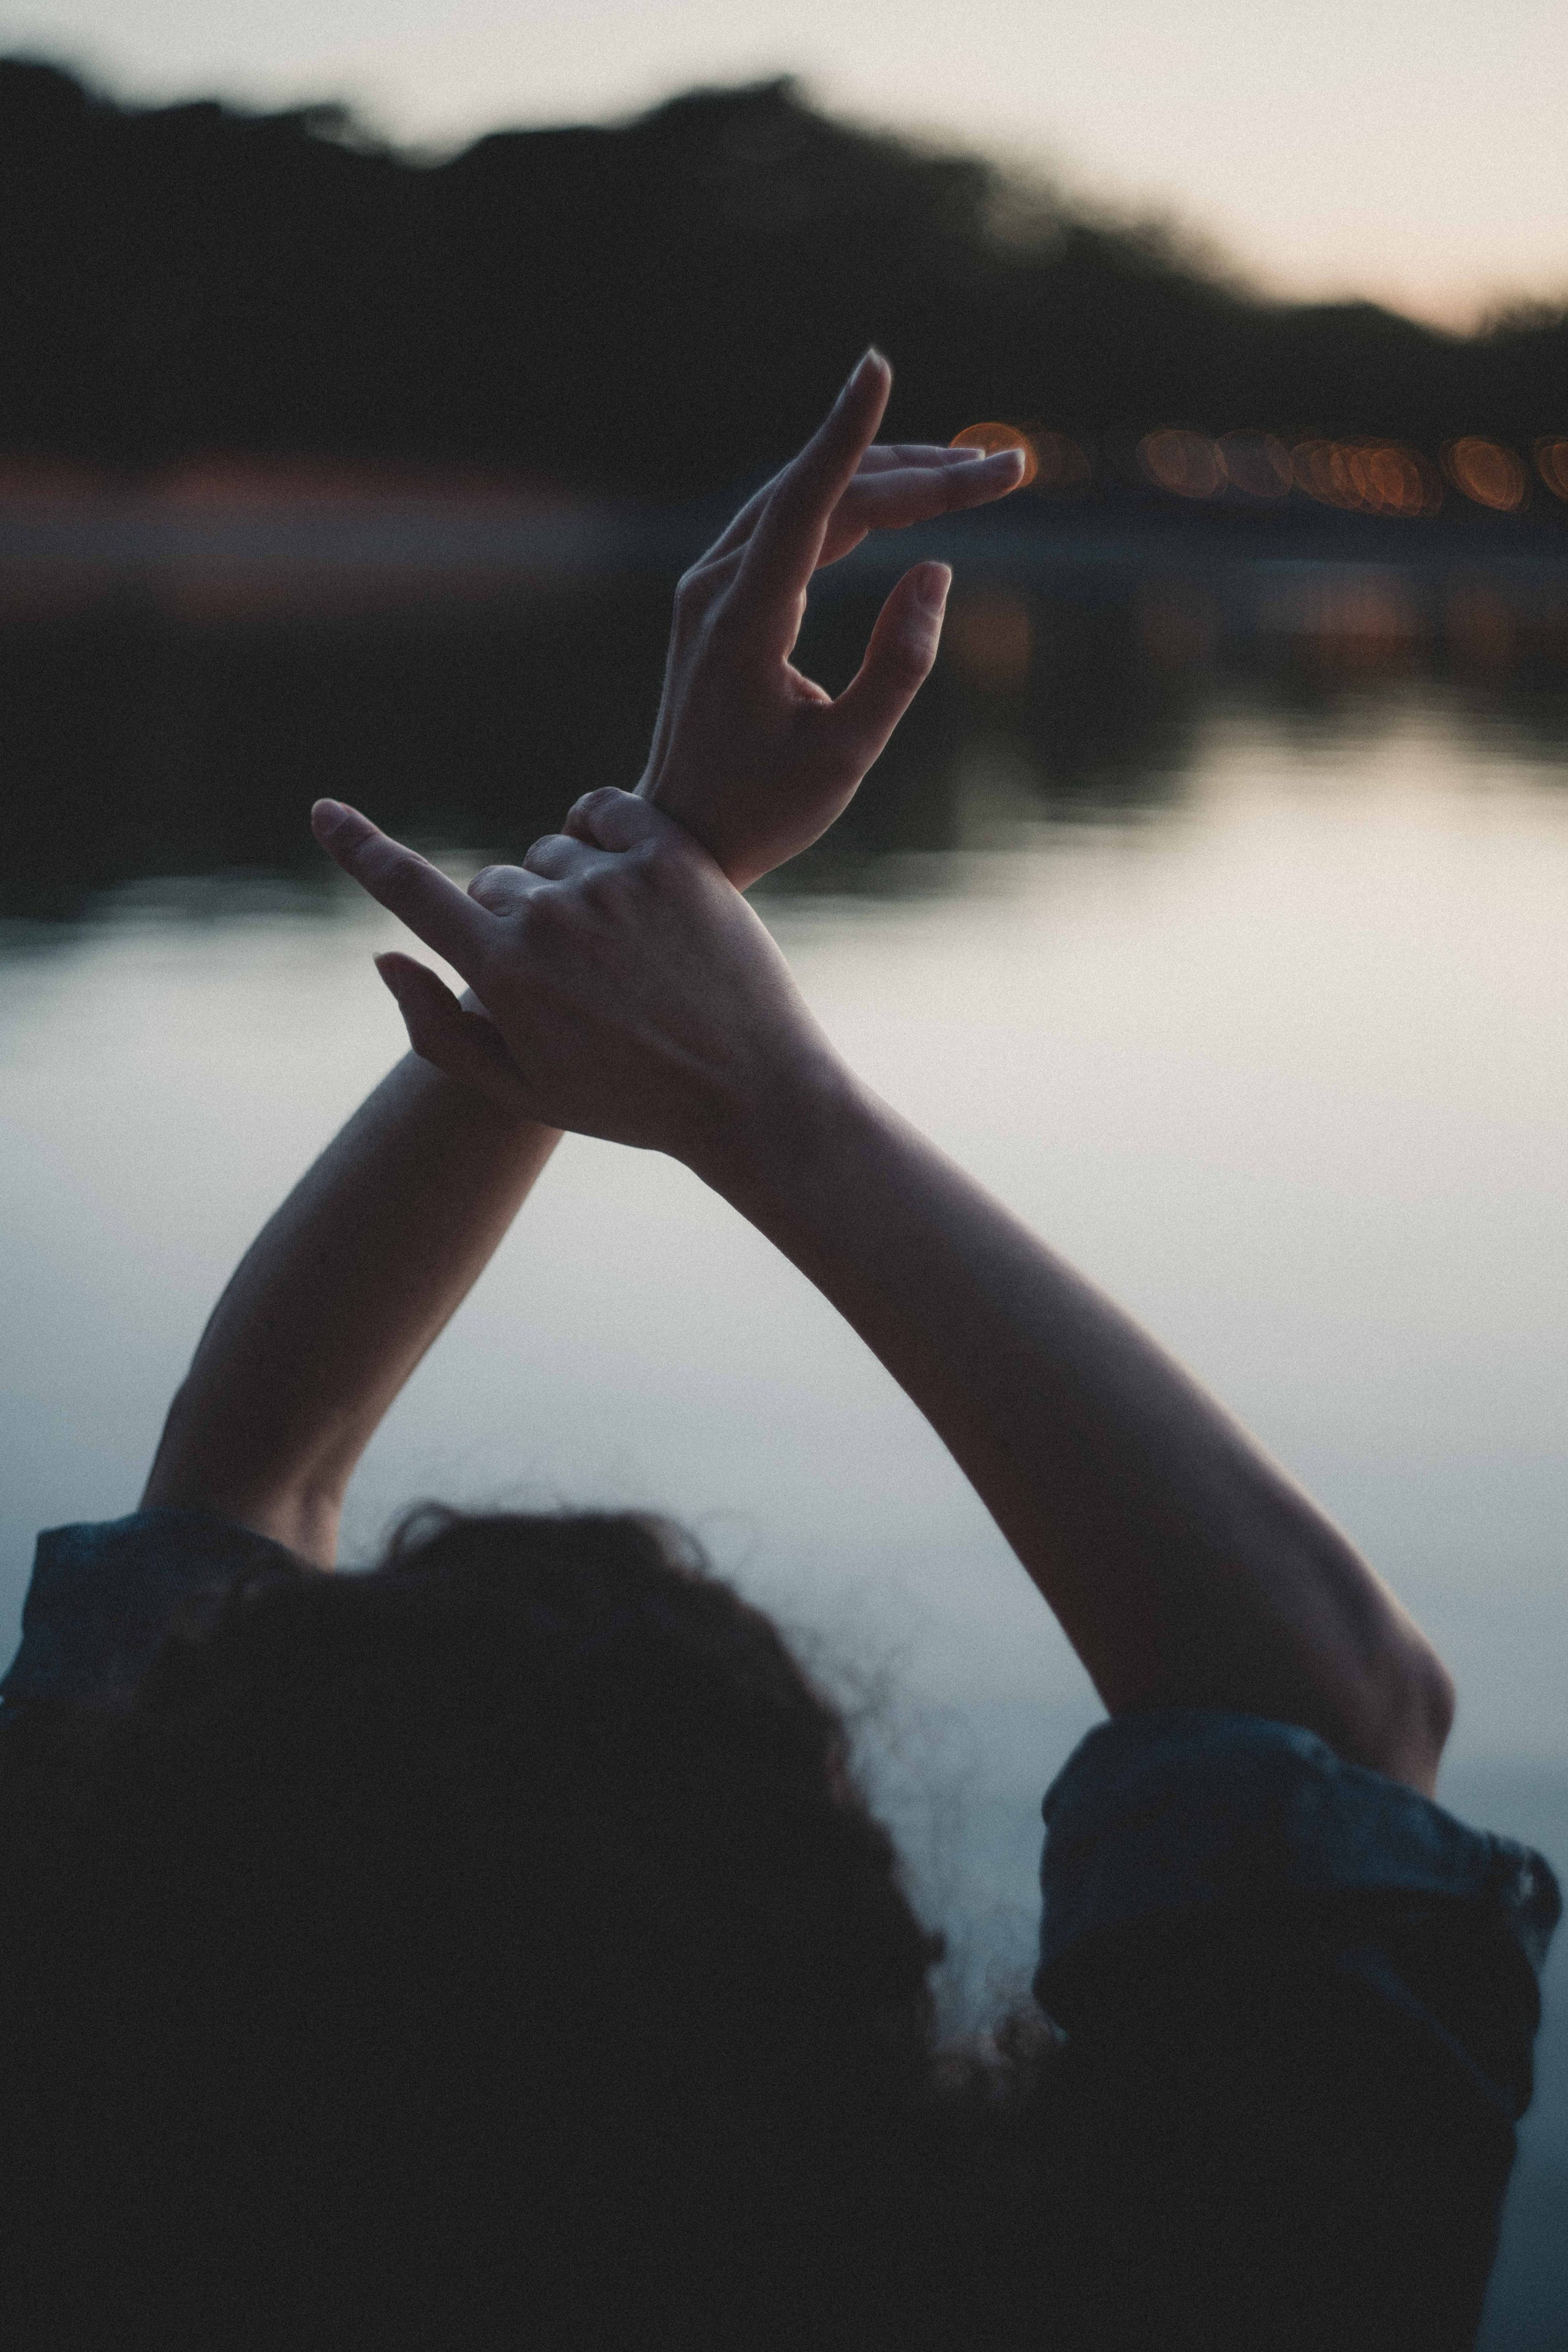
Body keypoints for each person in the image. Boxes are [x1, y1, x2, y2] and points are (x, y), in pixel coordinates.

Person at [0, 354, 1556, 2352]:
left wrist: (695, 966)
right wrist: (736, 1044)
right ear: (858, 1961)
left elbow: (233, 1496)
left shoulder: (83, 2168)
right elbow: (1336, 1720)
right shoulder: (1132, 2292)